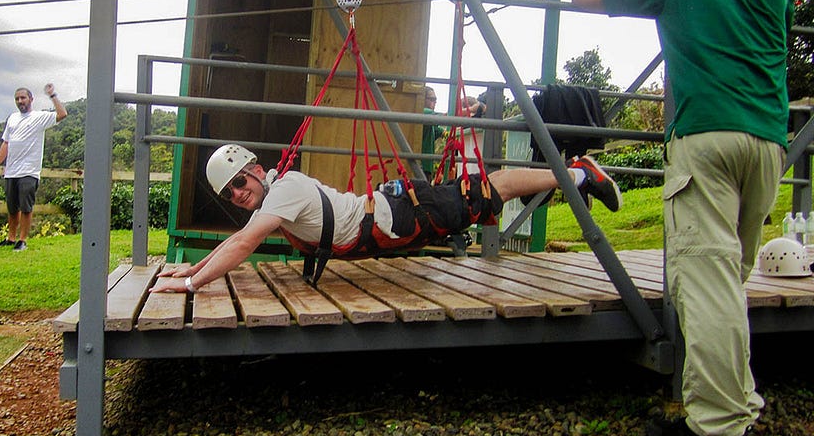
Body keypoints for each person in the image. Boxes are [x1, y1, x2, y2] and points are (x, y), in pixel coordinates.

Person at [572, 0, 794, 436]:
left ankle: (718, 428)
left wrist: (662, 2)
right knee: (729, 279)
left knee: (707, 279)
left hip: (706, 140)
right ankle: (738, 399)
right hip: (767, 144)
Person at [150, 143, 621, 294]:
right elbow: (239, 239)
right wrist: (189, 268)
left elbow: (242, 245)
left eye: (239, 183)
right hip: (389, 217)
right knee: (486, 190)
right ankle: (577, 176)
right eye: (230, 194)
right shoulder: (275, 196)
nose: (238, 195)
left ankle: (579, 174)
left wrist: (192, 286)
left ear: (254, 169)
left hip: (400, 216)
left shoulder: (284, 192)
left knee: (488, 187)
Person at [0, 84, 67, 251]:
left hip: (29, 171)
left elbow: (62, 114)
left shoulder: (39, 117)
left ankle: (22, 240)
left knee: (25, 207)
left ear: (31, 99)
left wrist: (53, 95)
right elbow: (6, 143)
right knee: (12, 207)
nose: (20, 101)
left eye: (23, 98)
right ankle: (11, 238)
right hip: (11, 171)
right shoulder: (12, 118)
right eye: (17, 98)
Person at [421, 86, 445, 176]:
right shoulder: (423, 112)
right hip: (421, 167)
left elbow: (439, 131)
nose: (434, 103)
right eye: (431, 99)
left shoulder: (431, 123)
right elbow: (444, 117)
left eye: (435, 100)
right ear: (422, 99)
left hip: (426, 168)